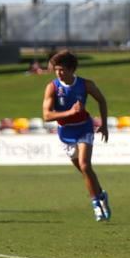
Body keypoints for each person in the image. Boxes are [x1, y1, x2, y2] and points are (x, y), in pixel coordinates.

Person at [41, 50, 111, 221]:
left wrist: (104, 124)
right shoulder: (52, 87)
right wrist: (70, 113)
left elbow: (101, 100)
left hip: (84, 128)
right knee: (84, 170)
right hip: (65, 133)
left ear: (72, 69)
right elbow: (47, 116)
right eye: (56, 69)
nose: (58, 73)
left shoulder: (85, 84)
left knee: (86, 166)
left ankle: (96, 204)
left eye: (62, 69)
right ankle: (101, 194)